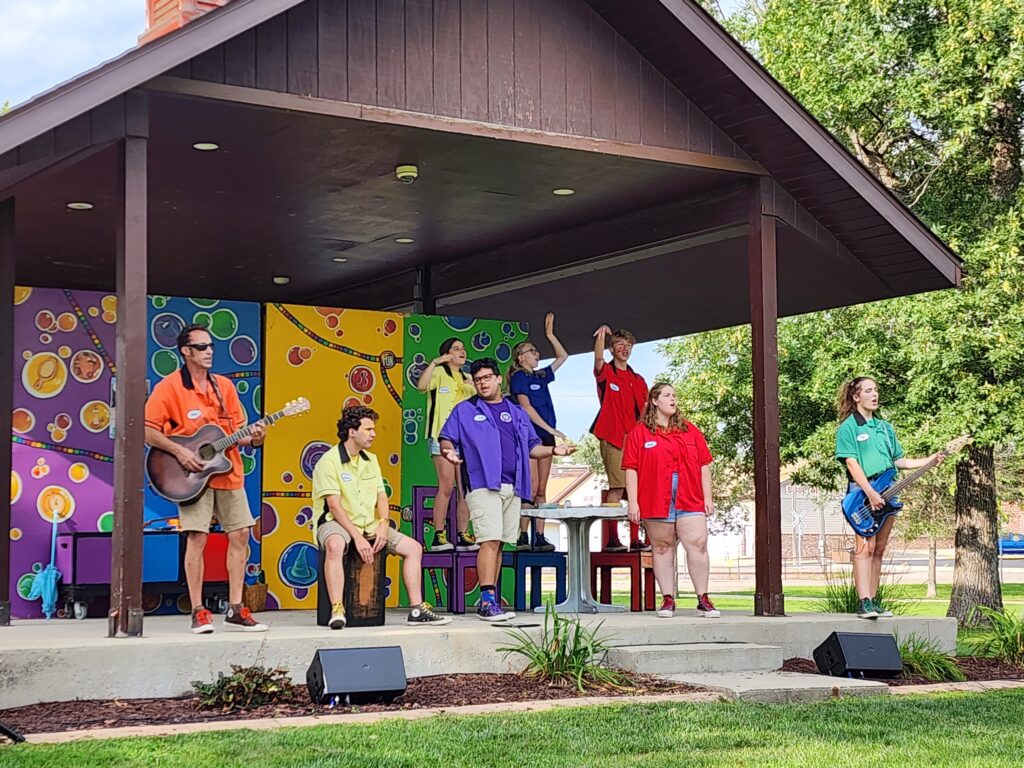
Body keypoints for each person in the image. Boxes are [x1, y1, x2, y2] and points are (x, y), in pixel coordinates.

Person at [144, 324, 268, 634]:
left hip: (229, 472)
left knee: (241, 534)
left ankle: (236, 608)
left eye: (211, 345)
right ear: (185, 352)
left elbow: (237, 435)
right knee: (197, 538)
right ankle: (198, 610)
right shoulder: (169, 387)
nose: (209, 351)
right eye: (201, 347)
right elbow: (146, 429)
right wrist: (180, 452)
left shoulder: (224, 386)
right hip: (190, 477)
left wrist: (255, 438)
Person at [439, 358, 576, 621]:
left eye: (487, 378)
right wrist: (449, 452)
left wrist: (554, 450)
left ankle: (491, 599)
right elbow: (447, 437)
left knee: (499, 543)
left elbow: (532, 447)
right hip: (481, 483)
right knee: (489, 540)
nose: (483, 383)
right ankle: (487, 600)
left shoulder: (515, 411)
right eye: (478, 379)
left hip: (513, 485)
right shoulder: (464, 410)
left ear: (499, 379)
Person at [312, 405, 452, 628]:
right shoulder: (329, 461)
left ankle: (417, 609)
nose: (374, 434)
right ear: (352, 431)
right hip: (336, 522)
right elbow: (334, 506)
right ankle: (337, 608)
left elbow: (382, 497)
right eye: (368, 429)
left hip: (369, 523)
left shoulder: (371, 460)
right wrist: (357, 538)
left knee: (413, 548)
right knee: (335, 545)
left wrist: (383, 525)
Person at [835, 377, 942, 619]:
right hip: (862, 493)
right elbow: (851, 462)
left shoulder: (885, 428)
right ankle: (863, 602)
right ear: (856, 397)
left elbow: (898, 462)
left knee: (880, 548)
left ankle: (873, 601)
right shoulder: (849, 428)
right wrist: (871, 493)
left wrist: (929, 460)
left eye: (876, 390)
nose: (874, 394)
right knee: (865, 547)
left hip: (888, 492)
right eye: (868, 390)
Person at [623, 383, 720, 618]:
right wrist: (633, 502)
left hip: (690, 497)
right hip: (656, 498)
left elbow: (704, 464)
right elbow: (631, 468)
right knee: (662, 547)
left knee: (698, 544)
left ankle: (703, 598)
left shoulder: (690, 430)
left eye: (675, 395)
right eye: (667, 395)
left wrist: (708, 497)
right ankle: (667, 598)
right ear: (654, 401)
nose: (673, 399)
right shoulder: (639, 433)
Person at [508, 312, 569, 553]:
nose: (537, 354)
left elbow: (563, 356)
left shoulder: (542, 375)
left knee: (543, 489)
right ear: (521, 357)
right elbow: (526, 407)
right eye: (532, 351)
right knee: (530, 487)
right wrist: (549, 427)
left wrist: (550, 335)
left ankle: (540, 535)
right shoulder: (519, 377)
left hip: (546, 435)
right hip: (529, 435)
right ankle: (522, 534)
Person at [415, 338, 478, 552]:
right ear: (447, 353)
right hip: (442, 437)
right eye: (456, 348)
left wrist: (476, 386)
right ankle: (438, 535)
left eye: (463, 348)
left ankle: (463, 534)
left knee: (465, 489)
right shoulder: (440, 373)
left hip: (466, 440)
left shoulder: (469, 378)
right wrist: (435, 362)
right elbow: (421, 386)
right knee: (446, 486)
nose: (462, 351)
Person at [591, 325, 649, 552]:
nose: (624, 350)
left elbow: (644, 408)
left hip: (633, 438)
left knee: (635, 489)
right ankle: (612, 539)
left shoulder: (637, 378)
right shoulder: (607, 372)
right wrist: (602, 336)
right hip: (612, 435)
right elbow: (597, 360)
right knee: (617, 486)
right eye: (619, 346)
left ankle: (635, 539)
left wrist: (643, 433)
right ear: (612, 349)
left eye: (628, 346)